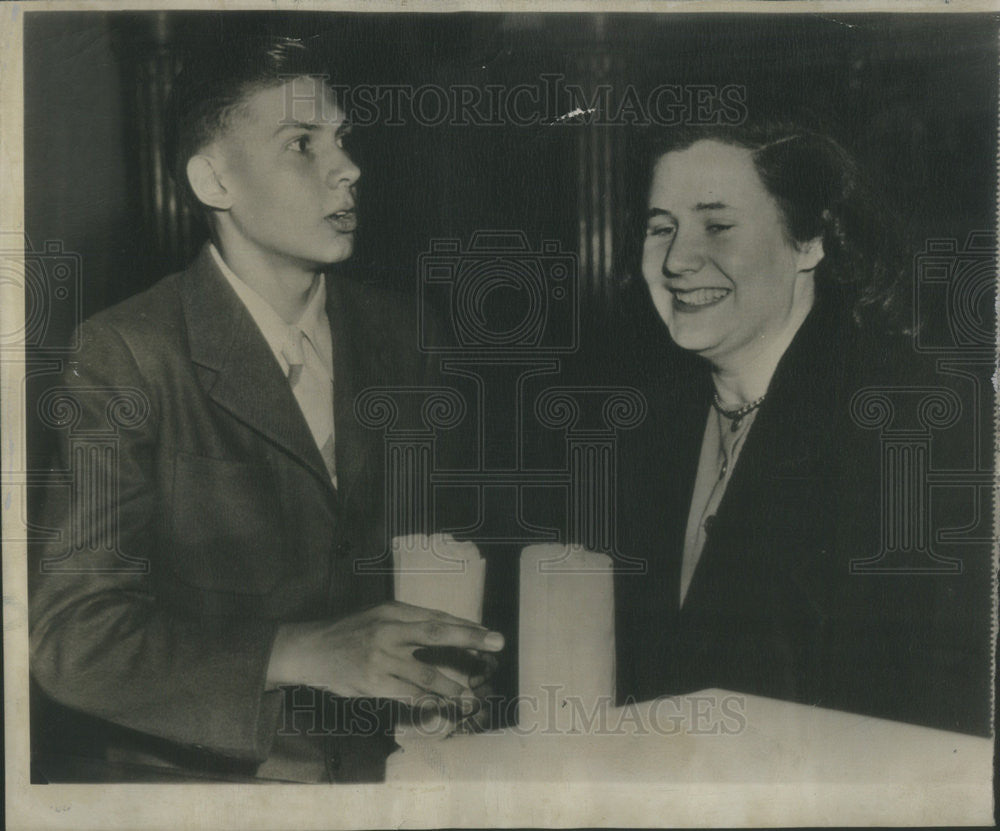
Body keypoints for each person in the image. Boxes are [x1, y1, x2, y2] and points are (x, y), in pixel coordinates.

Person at [29, 35, 503, 783]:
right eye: (302, 144)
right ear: (215, 179)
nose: (348, 168)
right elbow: (71, 640)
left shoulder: (407, 335)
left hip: (399, 773)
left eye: (342, 139)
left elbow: (454, 557)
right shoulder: (126, 351)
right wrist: (299, 650)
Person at [612, 119, 992, 736]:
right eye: (661, 228)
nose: (677, 260)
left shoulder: (917, 427)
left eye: (718, 225)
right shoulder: (650, 428)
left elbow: (932, 723)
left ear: (810, 239)